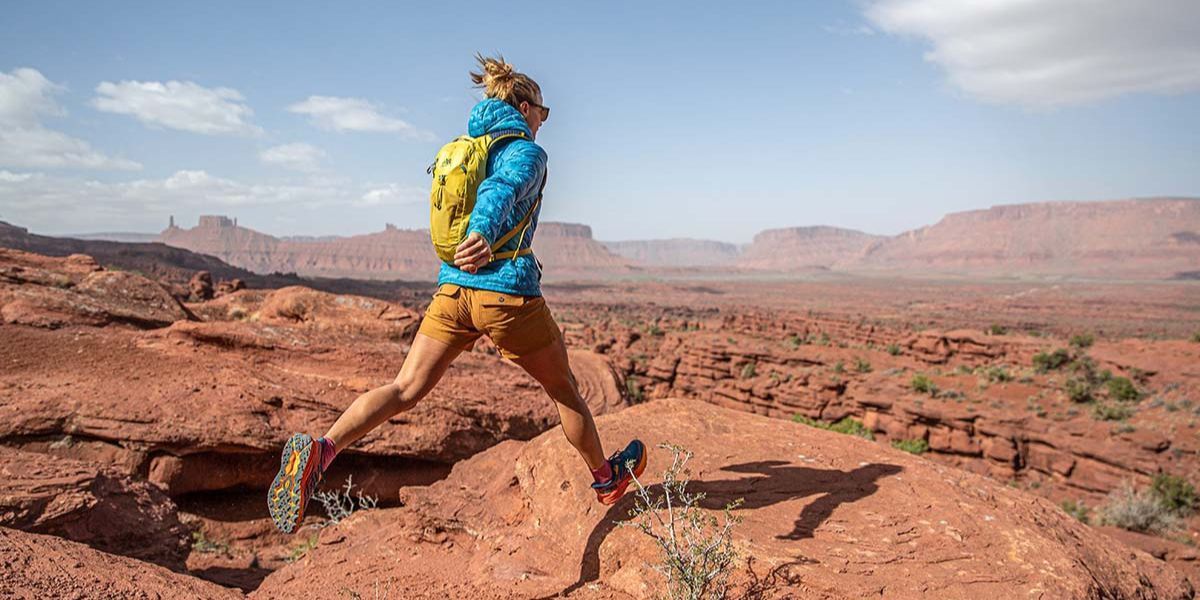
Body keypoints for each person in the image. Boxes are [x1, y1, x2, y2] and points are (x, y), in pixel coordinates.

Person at [268, 55, 646, 534]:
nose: (544, 122)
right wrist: (485, 233)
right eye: (544, 113)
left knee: (404, 388)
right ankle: (607, 478)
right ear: (525, 107)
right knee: (565, 390)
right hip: (505, 295)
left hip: (452, 292)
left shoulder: (466, 146)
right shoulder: (525, 150)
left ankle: (322, 451)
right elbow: (502, 189)